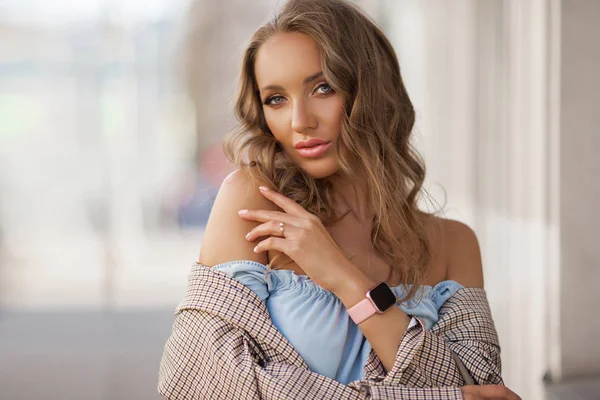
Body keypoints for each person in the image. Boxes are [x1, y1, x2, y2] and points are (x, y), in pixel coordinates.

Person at [158, 0, 521, 399]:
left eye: (323, 88)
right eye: (276, 99)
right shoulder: (255, 205)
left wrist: (346, 280)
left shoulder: (453, 244)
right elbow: (198, 382)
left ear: (370, 89)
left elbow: (484, 391)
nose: (300, 121)